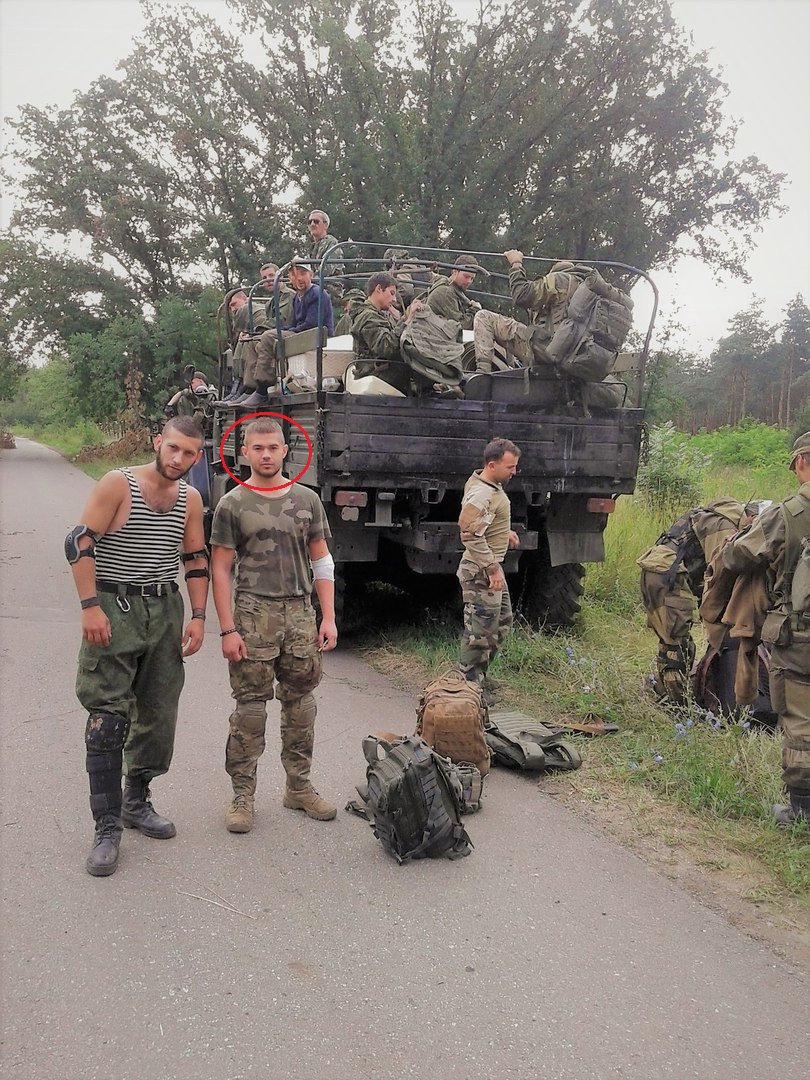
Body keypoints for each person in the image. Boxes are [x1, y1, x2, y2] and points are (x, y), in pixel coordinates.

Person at [67, 416, 209, 876]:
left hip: (163, 610)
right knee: (108, 716)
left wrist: (199, 616)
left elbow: (194, 558)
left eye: (188, 453)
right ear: (157, 443)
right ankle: (106, 825)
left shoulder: (190, 498)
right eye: (172, 448)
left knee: (157, 711)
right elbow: (79, 541)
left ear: (198, 456)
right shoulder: (118, 483)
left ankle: (136, 799)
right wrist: (90, 607)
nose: (178, 459)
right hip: (114, 604)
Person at [210, 417, 338, 833]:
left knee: (301, 704)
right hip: (252, 615)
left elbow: (321, 560)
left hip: (300, 616)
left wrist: (329, 617)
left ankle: (298, 787)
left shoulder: (308, 500)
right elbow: (221, 569)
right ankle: (242, 795)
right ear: (244, 452)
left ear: (286, 451)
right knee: (250, 708)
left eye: (273, 448)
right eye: (258, 448)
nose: (266, 455)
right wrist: (228, 629)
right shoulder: (232, 504)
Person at [721, 433, 810, 825]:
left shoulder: (787, 513)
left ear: (802, 463)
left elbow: (736, 557)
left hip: (800, 637)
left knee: (799, 720)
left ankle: (801, 809)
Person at [637, 498, 754, 703]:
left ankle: (668, 691)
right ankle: (677, 705)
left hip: (661, 575)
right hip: (667, 578)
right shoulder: (724, 526)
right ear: (750, 517)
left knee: (676, 642)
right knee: (676, 646)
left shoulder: (713, 517)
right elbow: (719, 576)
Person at [457, 438, 521, 699]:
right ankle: (467, 686)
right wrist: (493, 568)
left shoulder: (489, 484)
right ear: (492, 465)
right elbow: (469, 533)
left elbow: (483, 521)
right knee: (480, 631)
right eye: (510, 467)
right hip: (481, 571)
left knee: (501, 622)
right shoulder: (483, 492)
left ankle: (479, 675)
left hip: (490, 569)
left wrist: (504, 532)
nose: (514, 472)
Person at [240, 259, 335, 408]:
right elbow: (293, 322)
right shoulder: (297, 297)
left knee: (268, 336)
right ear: (289, 278)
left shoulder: (317, 293)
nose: (298, 279)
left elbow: (311, 324)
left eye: (303, 274)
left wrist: (288, 331)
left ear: (311, 274)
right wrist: (288, 330)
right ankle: (248, 388)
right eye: (293, 275)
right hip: (303, 335)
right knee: (255, 340)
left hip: (314, 335)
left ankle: (262, 389)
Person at [501, 249, 590, 362]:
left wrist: (516, 263)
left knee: (484, 317)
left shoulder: (558, 279)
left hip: (551, 349)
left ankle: (482, 371)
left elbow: (521, 295)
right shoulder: (588, 288)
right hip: (579, 352)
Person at [350, 271, 423, 384]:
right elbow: (386, 347)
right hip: (378, 372)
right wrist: (407, 322)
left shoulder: (378, 314)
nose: (394, 299)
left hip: (383, 370)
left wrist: (407, 317)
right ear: (378, 288)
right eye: (392, 293)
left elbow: (392, 335)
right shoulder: (368, 316)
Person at [426, 255, 487, 330]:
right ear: (455, 272)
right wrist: (475, 309)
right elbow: (461, 326)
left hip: (443, 334)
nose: (469, 281)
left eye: (472, 278)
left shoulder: (455, 291)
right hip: (437, 336)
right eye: (466, 276)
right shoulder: (445, 292)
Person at [307, 208, 345, 302]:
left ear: (325, 225)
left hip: (330, 290)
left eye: (316, 221)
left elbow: (325, 270)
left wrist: (306, 280)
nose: (312, 224)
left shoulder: (331, 243)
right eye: (310, 222)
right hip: (316, 287)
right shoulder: (313, 247)